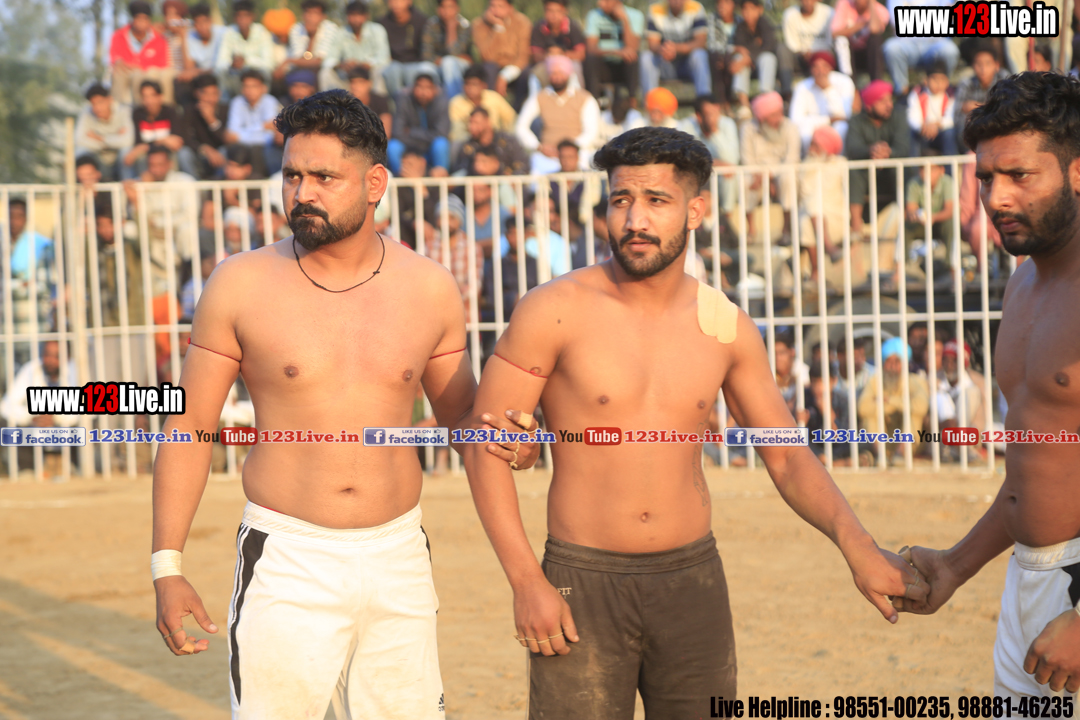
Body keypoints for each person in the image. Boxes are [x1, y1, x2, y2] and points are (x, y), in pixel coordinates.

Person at [461, 125, 919, 719]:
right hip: (583, 578)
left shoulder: (725, 325)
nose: (635, 220)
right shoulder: (553, 310)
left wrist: (857, 546)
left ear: (695, 210)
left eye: (657, 200)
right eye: (621, 200)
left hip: (692, 580)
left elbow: (786, 454)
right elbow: (483, 446)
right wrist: (527, 582)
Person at [150, 89, 535, 717]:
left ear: (375, 182)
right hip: (287, 554)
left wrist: (510, 440)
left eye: (324, 178)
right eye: (292, 176)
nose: (302, 193)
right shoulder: (240, 284)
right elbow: (188, 426)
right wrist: (167, 565)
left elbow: (463, 422)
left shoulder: (429, 288)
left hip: (399, 555)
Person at [898, 74, 1080, 700]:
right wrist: (955, 565)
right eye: (985, 178)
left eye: (1019, 175)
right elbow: (1038, 469)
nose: (996, 197)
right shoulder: (1022, 284)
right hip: (1031, 587)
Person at [846, 79, 911, 238]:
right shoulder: (856, 121)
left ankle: (905, 223)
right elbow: (852, 148)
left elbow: (903, 147)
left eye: (890, 100)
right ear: (869, 106)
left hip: (891, 168)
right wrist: (871, 150)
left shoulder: (899, 115)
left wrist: (887, 153)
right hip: (868, 172)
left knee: (902, 169)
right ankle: (856, 226)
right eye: (882, 101)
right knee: (854, 171)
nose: (889, 105)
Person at [515, 55, 601, 175]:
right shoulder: (540, 97)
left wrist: (569, 149)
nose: (557, 77)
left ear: (569, 74)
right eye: (553, 73)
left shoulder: (585, 98)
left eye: (560, 73)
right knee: (536, 173)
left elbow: (591, 132)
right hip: (547, 156)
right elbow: (520, 126)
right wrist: (538, 147)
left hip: (578, 154)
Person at [856, 336, 929, 461]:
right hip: (884, 438)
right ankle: (881, 456)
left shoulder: (916, 381)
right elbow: (863, 408)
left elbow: (921, 407)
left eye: (897, 362)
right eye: (888, 362)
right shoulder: (875, 381)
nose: (892, 367)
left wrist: (888, 400)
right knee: (870, 416)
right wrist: (902, 404)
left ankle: (901, 455)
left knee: (914, 414)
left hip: (910, 442)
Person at [679, 94, 739, 212]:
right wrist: (711, 162)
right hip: (696, 176)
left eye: (717, 113)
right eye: (710, 114)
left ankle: (726, 217)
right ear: (699, 116)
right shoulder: (686, 126)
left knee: (729, 175)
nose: (716, 118)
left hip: (718, 177)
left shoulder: (727, 124)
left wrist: (715, 131)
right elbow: (684, 159)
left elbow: (731, 160)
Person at [640, 0, 712, 98]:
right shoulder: (655, 9)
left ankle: (704, 101)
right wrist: (664, 50)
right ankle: (651, 102)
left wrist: (675, 48)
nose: (677, 1)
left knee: (700, 54)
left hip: (687, 64)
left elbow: (700, 42)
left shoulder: (696, 8)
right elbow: (653, 44)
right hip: (665, 63)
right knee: (646, 57)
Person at [109, 0, 173, 105]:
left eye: (145, 19)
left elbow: (162, 65)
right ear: (132, 19)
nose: (141, 22)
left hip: (149, 74)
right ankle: (117, 107)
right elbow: (115, 58)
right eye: (138, 18)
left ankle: (145, 109)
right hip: (127, 72)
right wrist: (120, 63)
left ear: (149, 20)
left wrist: (139, 67)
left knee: (138, 76)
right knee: (118, 73)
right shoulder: (119, 36)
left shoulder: (159, 39)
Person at [389, 73, 451, 175]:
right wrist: (428, 135)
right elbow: (397, 132)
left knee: (441, 144)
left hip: (430, 146)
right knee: (393, 147)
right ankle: (402, 178)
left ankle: (440, 178)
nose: (423, 92)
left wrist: (411, 132)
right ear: (413, 88)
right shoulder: (403, 100)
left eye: (427, 88)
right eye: (420, 87)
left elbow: (441, 133)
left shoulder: (442, 102)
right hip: (409, 147)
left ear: (435, 90)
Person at [584, 0, 644, 104]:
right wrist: (615, 52)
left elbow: (633, 47)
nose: (600, 4)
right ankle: (593, 102)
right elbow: (591, 48)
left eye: (606, 1)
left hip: (624, 68)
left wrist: (625, 20)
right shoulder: (594, 15)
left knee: (633, 56)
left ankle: (632, 101)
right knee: (590, 59)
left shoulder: (635, 15)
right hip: (603, 66)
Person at [471, 0, 532, 100]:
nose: (495, 10)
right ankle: (490, 105)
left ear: (510, 8)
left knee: (527, 72)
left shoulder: (522, 22)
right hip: (494, 66)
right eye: (492, 6)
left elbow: (523, 56)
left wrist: (505, 75)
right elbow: (486, 56)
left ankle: (518, 107)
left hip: (515, 66)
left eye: (500, 6)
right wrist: (497, 27)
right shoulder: (479, 24)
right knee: (489, 68)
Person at [954, 43, 1009, 155]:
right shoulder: (966, 84)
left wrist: (977, 107)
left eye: (987, 63)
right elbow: (957, 116)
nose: (983, 69)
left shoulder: (1005, 79)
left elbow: (1008, 108)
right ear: (973, 66)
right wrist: (990, 108)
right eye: (979, 64)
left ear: (996, 65)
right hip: (974, 134)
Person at [75, 83, 135, 182]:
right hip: (99, 160)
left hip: (119, 161)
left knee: (127, 151)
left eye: (100, 102)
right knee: (80, 152)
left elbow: (128, 141)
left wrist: (100, 138)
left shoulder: (124, 111)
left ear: (110, 100)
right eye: (93, 104)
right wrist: (114, 139)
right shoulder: (87, 113)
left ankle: (128, 185)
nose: (97, 108)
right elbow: (80, 141)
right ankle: (84, 187)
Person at [327, 1, 391, 93]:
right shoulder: (340, 32)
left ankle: (378, 99)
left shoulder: (377, 30)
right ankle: (332, 101)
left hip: (370, 73)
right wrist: (341, 65)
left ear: (366, 16)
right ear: (347, 16)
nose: (356, 19)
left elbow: (383, 58)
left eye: (359, 15)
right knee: (326, 73)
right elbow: (329, 60)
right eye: (352, 15)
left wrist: (367, 64)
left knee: (380, 71)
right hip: (348, 74)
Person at [215, 0, 276, 97]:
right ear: (235, 18)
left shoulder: (262, 32)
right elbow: (219, 64)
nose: (242, 19)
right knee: (222, 73)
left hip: (257, 77)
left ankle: (262, 99)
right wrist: (232, 64)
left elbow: (269, 64)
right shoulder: (228, 33)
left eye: (246, 16)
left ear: (253, 16)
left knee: (265, 72)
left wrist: (246, 61)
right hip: (236, 80)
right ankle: (227, 101)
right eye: (239, 16)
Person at [380, 0, 438, 97]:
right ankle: (397, 102)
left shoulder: (422, 20)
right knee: (392, 70)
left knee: (419, 70)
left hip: (416, 62)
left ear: (409, 1)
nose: (396, 3)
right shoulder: (382, 23)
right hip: (394, 63)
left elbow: (426, 49)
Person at [448, 65, 517, 144]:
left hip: (496, 142)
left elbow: (511, 119)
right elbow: (457, 133)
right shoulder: (456, 103)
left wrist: (506, 140)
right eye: (467, 84)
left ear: (483, 86)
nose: (469, 88)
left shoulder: (494, 98)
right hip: (470, 143)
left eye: (474, 84)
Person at [730, 0, 779, 111]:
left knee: (768, 58)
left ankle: (766, 99)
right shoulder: (740, 27)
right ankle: (744, 105)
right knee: (740, 59)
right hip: (748, 67)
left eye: (752, 8)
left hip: (762, 64)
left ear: (759, 10)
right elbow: (740, 47)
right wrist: (754, 47)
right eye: (745, 9)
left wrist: (750, 56)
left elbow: (769, 46)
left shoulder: (765, 24)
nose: (748, 12)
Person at [779, 0, 833, 98]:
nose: (808, 2)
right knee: (782, 49)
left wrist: (816, 55)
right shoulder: (790, 14)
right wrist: (803, 53)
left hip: (823, 56)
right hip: (799, 56)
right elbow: (791, 43)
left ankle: (832, 89)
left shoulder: (828, 13)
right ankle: (787, 94)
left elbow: (830, 41)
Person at [452, 107, 528, 176]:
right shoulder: (468, 147)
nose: (471, 127)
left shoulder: (507, 141)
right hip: (476, 185)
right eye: (470, 123)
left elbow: (522, 165)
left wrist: (506, 176)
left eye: (476, 122)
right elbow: (460, 171)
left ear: (487, 121)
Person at [181, 74, 230, 179]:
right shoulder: (189, 111)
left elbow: (227, 140)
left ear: (219, 93)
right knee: (183, 154)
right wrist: (204, 148)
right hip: (199, 155)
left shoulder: (226, 109)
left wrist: (212, 121)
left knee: (225, 151)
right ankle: (195, 186)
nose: (210, 99)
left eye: (214, 94)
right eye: (206, 94)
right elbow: (185, 138)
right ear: (197, 94)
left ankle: (218, 183)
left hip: (219, 156)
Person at [421, 0, 474, 99]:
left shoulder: (464, 25)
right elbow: (426, 55)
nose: (446, 11)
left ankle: (453, 101)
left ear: (457, 8)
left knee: (449, 63)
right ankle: (433, 104)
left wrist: (451, 29)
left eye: (450, 7)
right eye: (443, 7)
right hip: (437, 64)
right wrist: (442, 60)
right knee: (425, 68)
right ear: (438, 9)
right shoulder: (431, 24)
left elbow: (454, 52)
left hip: (461, 66)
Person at [906, 61, 956, 157]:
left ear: (947, 82)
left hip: (941, 131)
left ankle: (950, 165)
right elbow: (912, 118)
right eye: (934, 79)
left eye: (942, 80)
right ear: (926, 80)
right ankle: (913, 165)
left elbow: (951, 119)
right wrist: (923, 126)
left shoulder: (950, 94)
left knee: (950, 133)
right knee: (911, 134)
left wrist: (935, 125)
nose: (938, 83)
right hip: (923, 131)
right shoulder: (917, 93)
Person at [830, 0, 887, 79]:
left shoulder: (880, 10)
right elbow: (835, 33)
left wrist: (871, 5)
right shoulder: (844, 4)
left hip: (869, 55)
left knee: (875, 39)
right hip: (850, 54)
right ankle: (849, 81)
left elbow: (874, 29)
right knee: (841, 40)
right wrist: (860, 25)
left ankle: (876, 82)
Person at [347, 66, 393, 139]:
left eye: (360, 82)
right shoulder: (346, 103)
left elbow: (386, 132)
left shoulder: (380, 100)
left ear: (369, 83)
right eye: (352, 82)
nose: (355, 86)